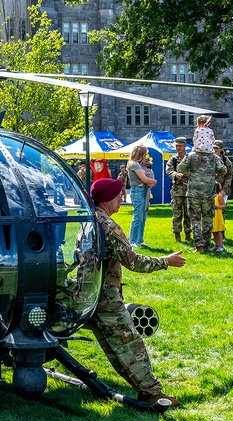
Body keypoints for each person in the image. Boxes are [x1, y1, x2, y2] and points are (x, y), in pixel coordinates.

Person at [87, 178, 185, 406]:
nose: (122, 199)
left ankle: (144, 389)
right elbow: (134, 262)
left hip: (91, 295)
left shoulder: (90, 221)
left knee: (114, 349)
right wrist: (166, 261)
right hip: (106, 298)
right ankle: (153, 394)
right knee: (131, 345)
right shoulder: (109, 227)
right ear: (106, 200)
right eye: (118, 196)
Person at [178, 136, 226, 253]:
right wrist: (212, 176)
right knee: (208, 219)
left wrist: (190, 174)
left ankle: (199, 246)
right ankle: (207, 245)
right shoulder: (213, 157)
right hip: (208, 193)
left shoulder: (191, 156)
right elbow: (223, 170)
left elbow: (180, 168)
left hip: (194, 192)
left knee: (195, 219)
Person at [125, 145, 156, 247]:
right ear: (141, 154)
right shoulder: (135, 165)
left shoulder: (139, 165)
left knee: (143, 217)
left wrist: (148, 182)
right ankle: (132, 241)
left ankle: (140, 240)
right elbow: (145, 179)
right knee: (138, 217)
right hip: (138, 191)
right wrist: (154, 181)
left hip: (143, 190)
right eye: (145, 154)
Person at [165, 136, 191, 242]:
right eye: (176, 146)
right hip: (177, 191)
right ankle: (177, 235)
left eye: (180, 145)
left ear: (185, 145)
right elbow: (168, 170)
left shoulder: (190, 159)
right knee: (177, 214)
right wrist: (175, 174)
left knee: (188, 214)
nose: (178, 148)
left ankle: (188, 234)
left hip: (189, 190)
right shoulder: (173, 159)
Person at [212, 183, 226, 252]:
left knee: (218, 230)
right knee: (213, 230)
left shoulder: (219, 196)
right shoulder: (211, 196)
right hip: (212, 216)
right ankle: (217, 244)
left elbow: (224, 205)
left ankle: (221, 245)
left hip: (217, 215)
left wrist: (217, 207)